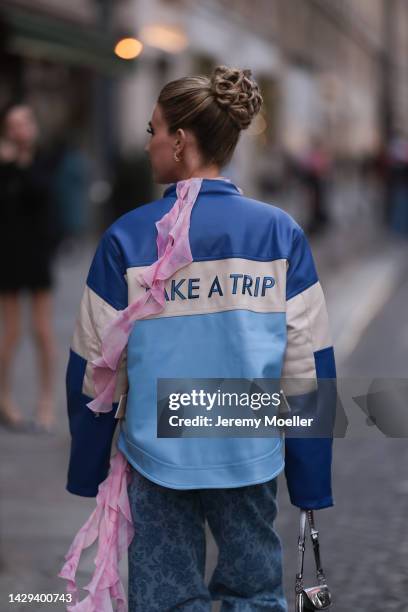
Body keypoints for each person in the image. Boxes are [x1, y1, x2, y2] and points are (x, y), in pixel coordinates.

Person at [62, 66, 336, 611]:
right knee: (255, 594)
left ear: (180, 142)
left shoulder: (128, 236)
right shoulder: (280, 232)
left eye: (153, 130)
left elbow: (95, 370)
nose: (147, 145)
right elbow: (308, 367)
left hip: (157, 453)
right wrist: (309, 479)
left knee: (165, 597)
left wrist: (89, 462)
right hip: (248, 449)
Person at [0, 103, 58, 432]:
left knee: (43, 331)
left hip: (36, 253)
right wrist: (9, 166)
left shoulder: (45, 159)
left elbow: (42, 192)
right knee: (10, 333)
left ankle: (46, 401)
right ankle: (5, 398)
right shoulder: (4, 166)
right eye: (13, 125)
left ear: (33, 127)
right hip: (8, 254)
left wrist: (21, 165)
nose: (19, 130)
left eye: (24, 123)